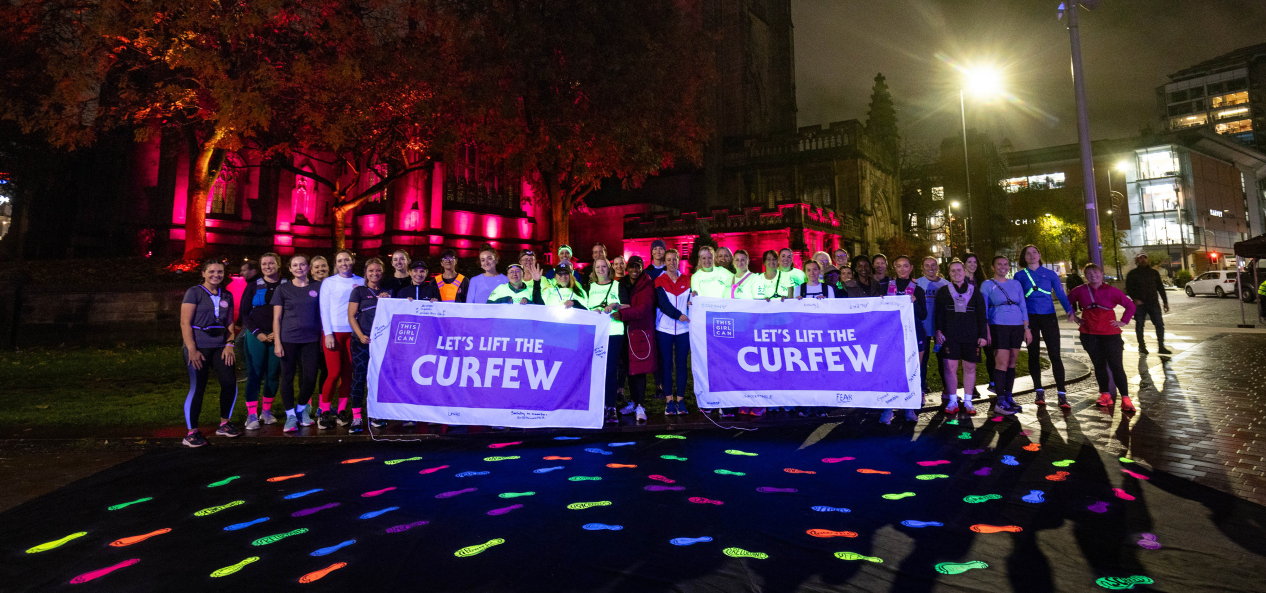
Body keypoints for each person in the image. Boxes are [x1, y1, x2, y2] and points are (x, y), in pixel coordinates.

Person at [179, 260, 240, 447]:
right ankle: (192, 432)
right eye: (211, 271)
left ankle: (224, 423)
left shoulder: (227, 294)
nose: (216, 275)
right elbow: (185, 322)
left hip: (221, 345)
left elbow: (230, 322)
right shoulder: (194, 292)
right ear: (203, 273)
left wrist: (230, 343)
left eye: (220, 272)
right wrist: (192, 349)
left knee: (230, 383)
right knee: (198, 387)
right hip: (198, 346)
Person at [1069, 263, 1137, 412]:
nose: (1093, 276)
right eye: (1089, 273)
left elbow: (1130, 305)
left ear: (1102, 274)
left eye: (1096, 272)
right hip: (1089, 334)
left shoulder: (1112, 291)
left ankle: (1125, 398)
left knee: (1116, 366)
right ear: (1085, 276)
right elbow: (1067, 301)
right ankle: (1105, 394)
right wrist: (1074, 317)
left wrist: (1123, 321)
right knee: (1099, 365)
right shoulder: (1080, 290)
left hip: (1110, 335)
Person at [1015, 245, 1073, 407]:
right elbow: (1018, 298)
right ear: (1024, 257)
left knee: (1055, 354)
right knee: (1033, 355)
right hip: (1030, 319)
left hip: (1049, 317)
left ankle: (1062, 393)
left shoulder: (1050, 274)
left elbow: (1060, 293)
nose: (1032, 255)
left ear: (1040, 254)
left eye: (1035, 252)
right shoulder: (1019, 276)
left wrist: (1069, 310)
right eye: (1028, 253)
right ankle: (1039, 391)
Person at [272, 254, 323, 433]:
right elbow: (277, 317)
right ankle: (290, 415)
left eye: (303, 264)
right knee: (287, 377)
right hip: (288, 339)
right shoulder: (283, 289)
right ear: (290, 269)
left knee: (309, 377)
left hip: (311, 339)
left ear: (308, 268)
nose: (299, 268)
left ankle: (301, 410)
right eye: (295, 265)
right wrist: (277, 342)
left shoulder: (318, 287)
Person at [876, 256, 927, 424]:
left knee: (913, 370)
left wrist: (914, 303)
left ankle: (909, 407)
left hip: (914, 334)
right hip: (893, 335)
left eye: (906, 266)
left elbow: (923, 314)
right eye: (899, 266)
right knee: (891, 370)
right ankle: (888, 408)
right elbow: (878, 311)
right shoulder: (886, 287)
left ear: (911, 268)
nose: (903, 269)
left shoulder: (917, 290)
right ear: (894, 268)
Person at [317, 249, 363, 429]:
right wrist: (327, 333)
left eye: (347, 260)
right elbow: (324, 309)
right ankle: (325, 411)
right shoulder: (329, 282)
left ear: (352, 261)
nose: (344, 263)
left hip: (353, 333)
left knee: (347, 374)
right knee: (333, 373)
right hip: (334, 333)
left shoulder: (360, 281)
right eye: (340, 261)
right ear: (335, 264)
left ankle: (342, 411)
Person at [935, 260, 987, 416]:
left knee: (969, 368)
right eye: (952, 271)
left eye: (959, 270)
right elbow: (938, 314)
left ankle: (969, 402)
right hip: (950, 336)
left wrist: (983, 335)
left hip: (971, 335)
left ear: (964, 271)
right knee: (950, 368)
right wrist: (938, 331)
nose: (956, 273)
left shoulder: (975, 291)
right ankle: (952, 401)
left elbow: (981, 314)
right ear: (949, 273)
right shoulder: (943, 291)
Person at [347, 258, 393, 433]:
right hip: (361, 342)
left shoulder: (387, 291)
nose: (375, 274)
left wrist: (388, 300)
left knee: (377, 379)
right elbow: (351, 316)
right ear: (366, 272)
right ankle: (357, 417)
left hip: (381, 344)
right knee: (359, 378)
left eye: (378, 271)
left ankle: (374, 414)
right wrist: (360, 335)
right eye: (371, 270)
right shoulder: (359, 291)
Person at [981, 255, 1031, 415]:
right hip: (998, 325)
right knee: (1001, 362)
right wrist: (986, 329)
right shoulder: (987, 284)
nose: (1003, 267)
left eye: (1006, 264)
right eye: (999, 264)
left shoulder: (1015, 284)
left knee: (1011, 363)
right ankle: (1000, 399)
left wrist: (1026, 328)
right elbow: (983, 309)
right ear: (993, 267)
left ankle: (1009, 397)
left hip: (1016, 326)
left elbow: (1023, 305)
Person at [240, 252, 285, 429]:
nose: (268, 266)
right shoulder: (253, 286)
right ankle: (251, 414)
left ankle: (266, 411)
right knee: (255, 373)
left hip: (277, 336)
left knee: (273, 373)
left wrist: (277, 332)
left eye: (271, 263)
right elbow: (244, 313)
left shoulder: (286, 285)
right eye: (264, 264)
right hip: (256, 335)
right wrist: (258, 333)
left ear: (278, 265)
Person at [582, 258, 629, 423]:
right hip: (596, 334)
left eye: (604, 266)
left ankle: (611, 406)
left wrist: (615, 305)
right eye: (598, 267)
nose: (601, 269)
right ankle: (598, 406)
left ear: (608, 269)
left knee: (610, 370)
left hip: (614, 332)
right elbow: (584, 307)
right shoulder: (589, 288)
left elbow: (628, 306)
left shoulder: (617, 285)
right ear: (594, 270)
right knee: (596, 371)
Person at [690, 246, 734, 416]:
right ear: (699, 260)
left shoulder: (723, 273)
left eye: (709, 258)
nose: (707, 261)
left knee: (725, 362)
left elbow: (738, 282)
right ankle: (709, 400)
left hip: (724, 323)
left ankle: (725, 401)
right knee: (708, 363)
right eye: (703, 258)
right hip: (705, 325)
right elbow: (696, 296)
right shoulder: (696, 277)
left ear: (714, 258)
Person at [618, 256, 656, 423]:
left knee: (639, 369)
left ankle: (640, 405)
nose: (634, 270)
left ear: (642, 268)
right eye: (631, 267)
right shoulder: (623, 283)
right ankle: (633, 402)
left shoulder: (647, 284)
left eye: (638, 267)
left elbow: (643, 309)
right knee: (629, 368)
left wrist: (622, 314)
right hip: (626, 331)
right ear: (627, 268)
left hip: (640, 331)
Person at [655, 248, 692, 416]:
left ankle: (680, 401)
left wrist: (694, 300)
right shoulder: (659, 280)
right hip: (664, 329)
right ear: (665, 262)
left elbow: (693, 300)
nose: (671, 262)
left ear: (678, 260)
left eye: (674, 259)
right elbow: (663, 304)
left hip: (684, 330)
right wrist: (679, 315)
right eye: (668, 260)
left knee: (682, 365)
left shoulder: (688, 280)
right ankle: (669, 401)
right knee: (667, 365)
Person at [915, 256, 949, 400]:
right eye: (927, 265)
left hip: (941, 328)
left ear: (938, 267)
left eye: (933, 265)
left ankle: (948, 389)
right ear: (922, 268)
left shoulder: (946, 284)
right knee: (922, 361)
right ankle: (920, 389)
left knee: (945, 360)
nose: (931, 268)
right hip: (923, 327)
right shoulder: (917, 284)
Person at [1124, 253, 1171, 354]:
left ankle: (1161, 346)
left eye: (1145, 258)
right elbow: (1128, 288)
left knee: (1159, 324)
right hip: (1140, 304)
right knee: (1140, 324)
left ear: (1148, 260)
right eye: (1140, 258)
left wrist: (1165, 302)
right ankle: (1142, 346)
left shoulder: (1154, 273)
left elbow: (1160, 288)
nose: (1143, 260)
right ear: (1136, 261)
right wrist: (1134, 299)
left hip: (1153, 302)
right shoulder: (1132, 274)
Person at [963, 253, 990, 394]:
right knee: (969, 356)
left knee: (987, 352)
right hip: (967, 321)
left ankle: (993, 383)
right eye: (969, 262)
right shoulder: (961, 281)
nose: (973, 265)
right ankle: (970, 388)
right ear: (964, 264)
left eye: (975, 262)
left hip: (982, 319)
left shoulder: (981, 281)